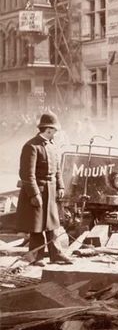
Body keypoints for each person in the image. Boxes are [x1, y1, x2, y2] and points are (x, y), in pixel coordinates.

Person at [16, 113, 72, 266]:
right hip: (38, 192)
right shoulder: (31, 146)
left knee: (53, 225)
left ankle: (57, 255)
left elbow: (58, 170)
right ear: (48, 129)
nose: (56, 134)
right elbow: (26, 174)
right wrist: (34, 194)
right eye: (55, 131)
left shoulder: (53, 146)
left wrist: (60, 186)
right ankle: (36, 257)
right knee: (37, 226)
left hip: (51, 191)